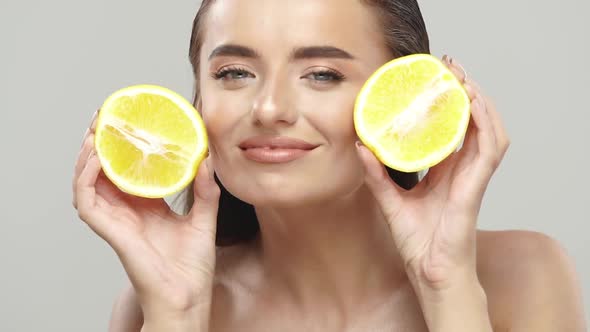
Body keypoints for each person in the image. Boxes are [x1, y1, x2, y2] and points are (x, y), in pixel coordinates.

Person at [73, 0, 586, 331]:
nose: (269, 108)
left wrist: (445, 285)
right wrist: (178, 312)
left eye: (321, 74)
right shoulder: (154, 304)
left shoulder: (523, 276)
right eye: (234, 72)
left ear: (403, 99)